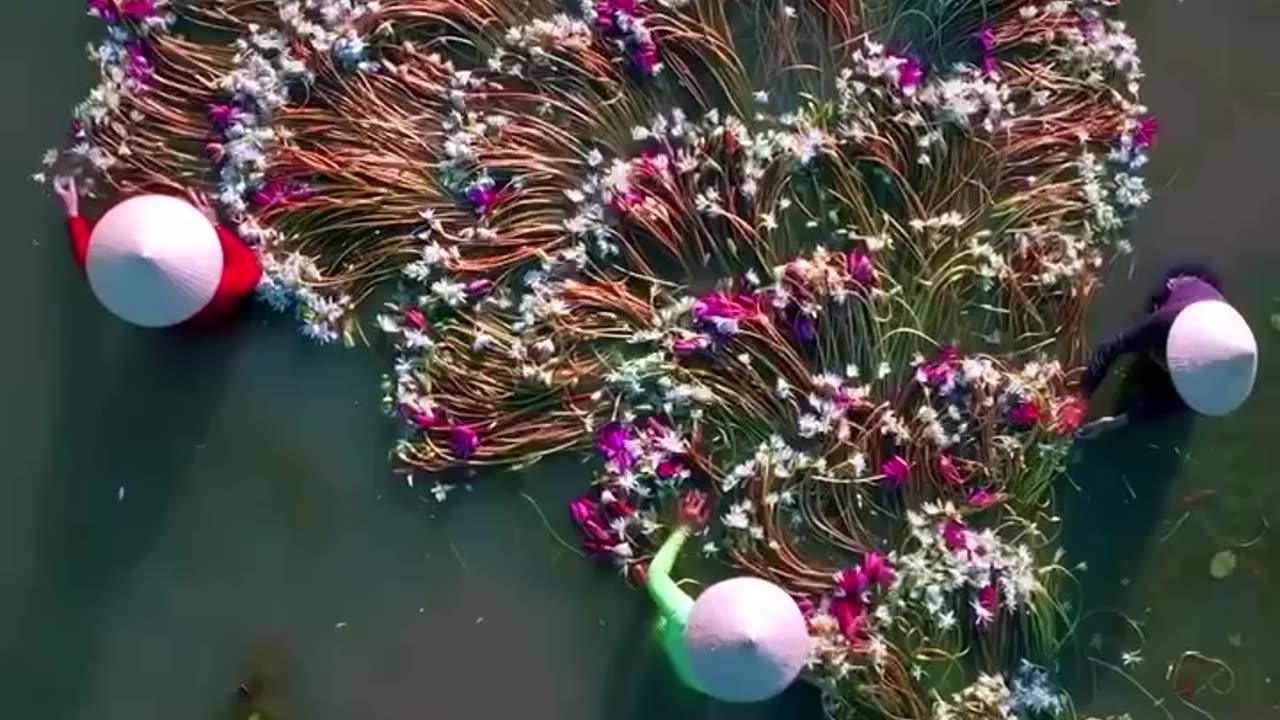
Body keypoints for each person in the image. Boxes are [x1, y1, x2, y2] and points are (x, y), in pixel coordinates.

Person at [647, 489, 811, 703]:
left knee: (659, 627)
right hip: (707, 685)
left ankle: (658, 634)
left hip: (681, 655)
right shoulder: (767, 679)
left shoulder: (684, 615)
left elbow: (656, 574)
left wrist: (684, 528)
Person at [52, 176, 261, 329]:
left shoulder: (116, 284)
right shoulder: (225, 285)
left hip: (169, 321)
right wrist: (215, 227)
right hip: (221, 318)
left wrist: (73, 213)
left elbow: (88, 259)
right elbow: (252, 269)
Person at [1076, 263, 1257, 438]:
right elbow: (1111, 347)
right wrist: (1080, 399)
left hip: (1208, 313)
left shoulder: (1212, 392)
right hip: (1185, 286)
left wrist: (1113, 423)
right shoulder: (1167, 321)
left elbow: (1164, 406)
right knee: (1144, 340)